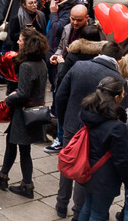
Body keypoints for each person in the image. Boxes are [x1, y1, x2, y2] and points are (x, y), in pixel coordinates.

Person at [54, 40, 127, 219]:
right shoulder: (116, 80)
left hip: (74, 126)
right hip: (102, 163)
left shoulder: (79, 66)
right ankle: (77, 212)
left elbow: (60, 95)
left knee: (71, 164)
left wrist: (64, 123)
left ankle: (61, 204)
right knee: (95, 204)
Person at [0, 28, 48, 199]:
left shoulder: (27, 66)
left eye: (21, 40)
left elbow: (23, 93)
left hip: (24, 113)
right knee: (12, 143)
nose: (18, 42)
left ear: (27, 45)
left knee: (23, 149)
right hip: (30, 111)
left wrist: (7, 100)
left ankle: (27, 185)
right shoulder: (40, 62)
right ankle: (3, 176)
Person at [77, 76, 128, 220]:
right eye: (123, 93)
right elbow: (122, 160)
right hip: (106, 177)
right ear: (116, 97)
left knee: (88, 205)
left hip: (87, 169)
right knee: (98, 213)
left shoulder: (87, 112)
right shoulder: (117, 127)